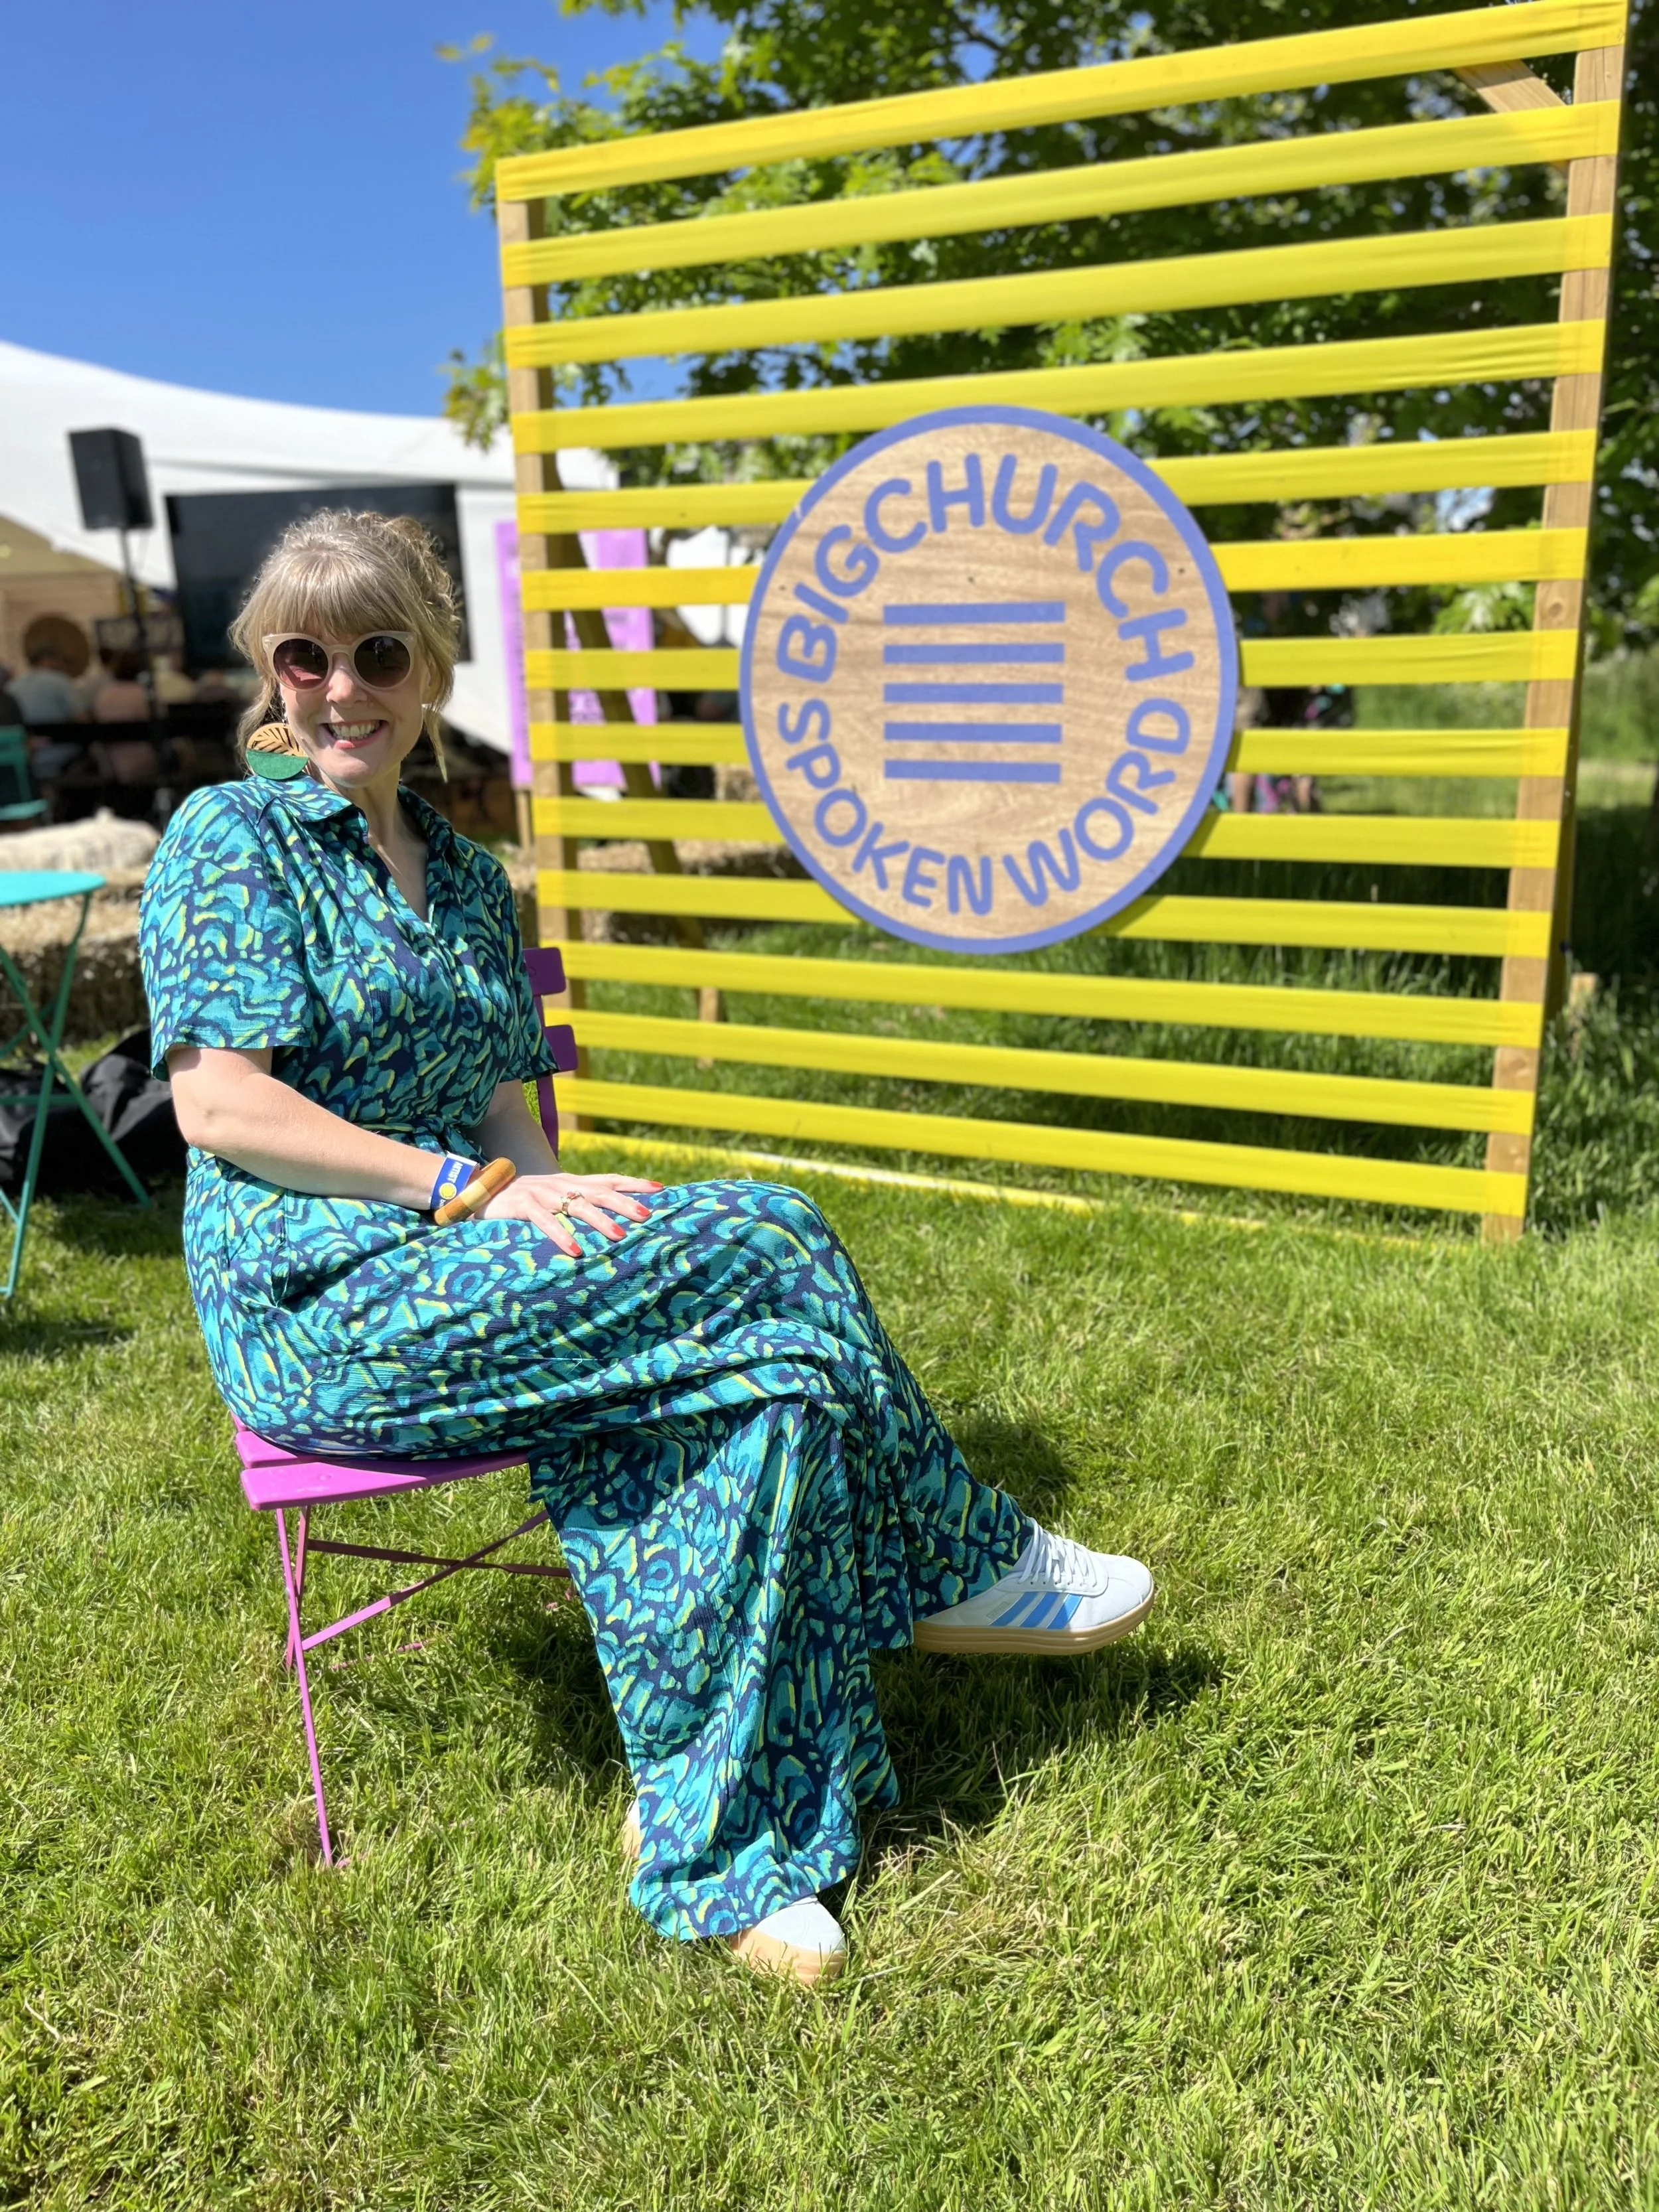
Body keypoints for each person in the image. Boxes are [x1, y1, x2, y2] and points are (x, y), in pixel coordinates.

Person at [136, 510, 1155, 1986]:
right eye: (305, 655)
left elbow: (512, 1123)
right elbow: (220, 1103)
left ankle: (717, 1845)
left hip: (473, 1247)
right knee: (773, 1232)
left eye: (376, 653)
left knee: (763, 1390)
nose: (338, 688)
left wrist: (562, 1202)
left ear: (428, 671)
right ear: (269, 673)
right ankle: (949, 1557)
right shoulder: (230, 837)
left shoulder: (476, 883)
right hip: (321, 1295)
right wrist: (458, 1192)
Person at [9, 642, 86, 727]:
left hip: (24, 737)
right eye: (59, 660)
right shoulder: (60, 681)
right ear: (48, 660)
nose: (62, 664)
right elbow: (80, 717)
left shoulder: (13, 685)